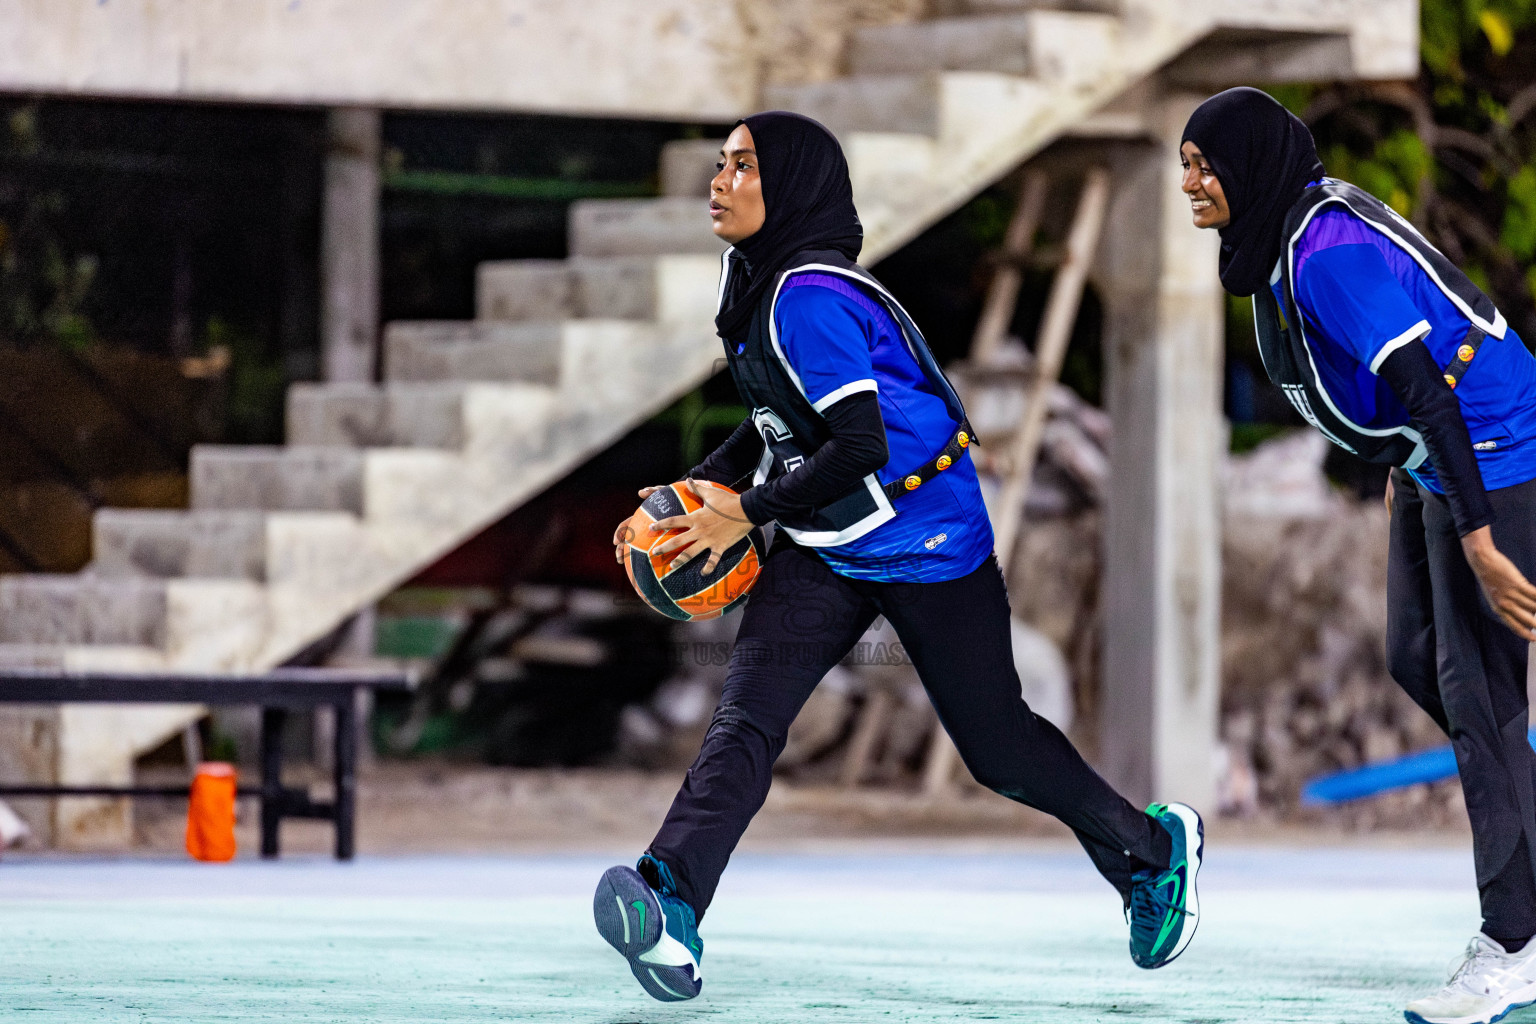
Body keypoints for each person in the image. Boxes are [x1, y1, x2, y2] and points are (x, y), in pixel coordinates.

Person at [591, 110, 1204, 1004]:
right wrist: (681, 501)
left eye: (742, 168)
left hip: (926, 536)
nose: (719, 182)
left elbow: (858, 444)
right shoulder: (751, 278)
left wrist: (746, 517)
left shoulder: (810, 298)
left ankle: (1153, 853)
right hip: (828, 539)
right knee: (746, 721)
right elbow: (774, 422)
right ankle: (668, 901)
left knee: (998, 751)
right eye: (720, 165)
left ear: (792, 186)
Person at [1181, 87, 1536, 1024]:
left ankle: (1516, 943)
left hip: (1493, 451)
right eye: (1184, 162)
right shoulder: (1289, 234)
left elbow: (1428, 389)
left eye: (1201, 162)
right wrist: (1398, 468)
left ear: (1248, 165)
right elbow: (1384, 392)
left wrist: (1483, 540)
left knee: (1479, 696)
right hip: (1435, 459)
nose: (1189, 181)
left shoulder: (1323, 256)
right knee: (1416, 658)